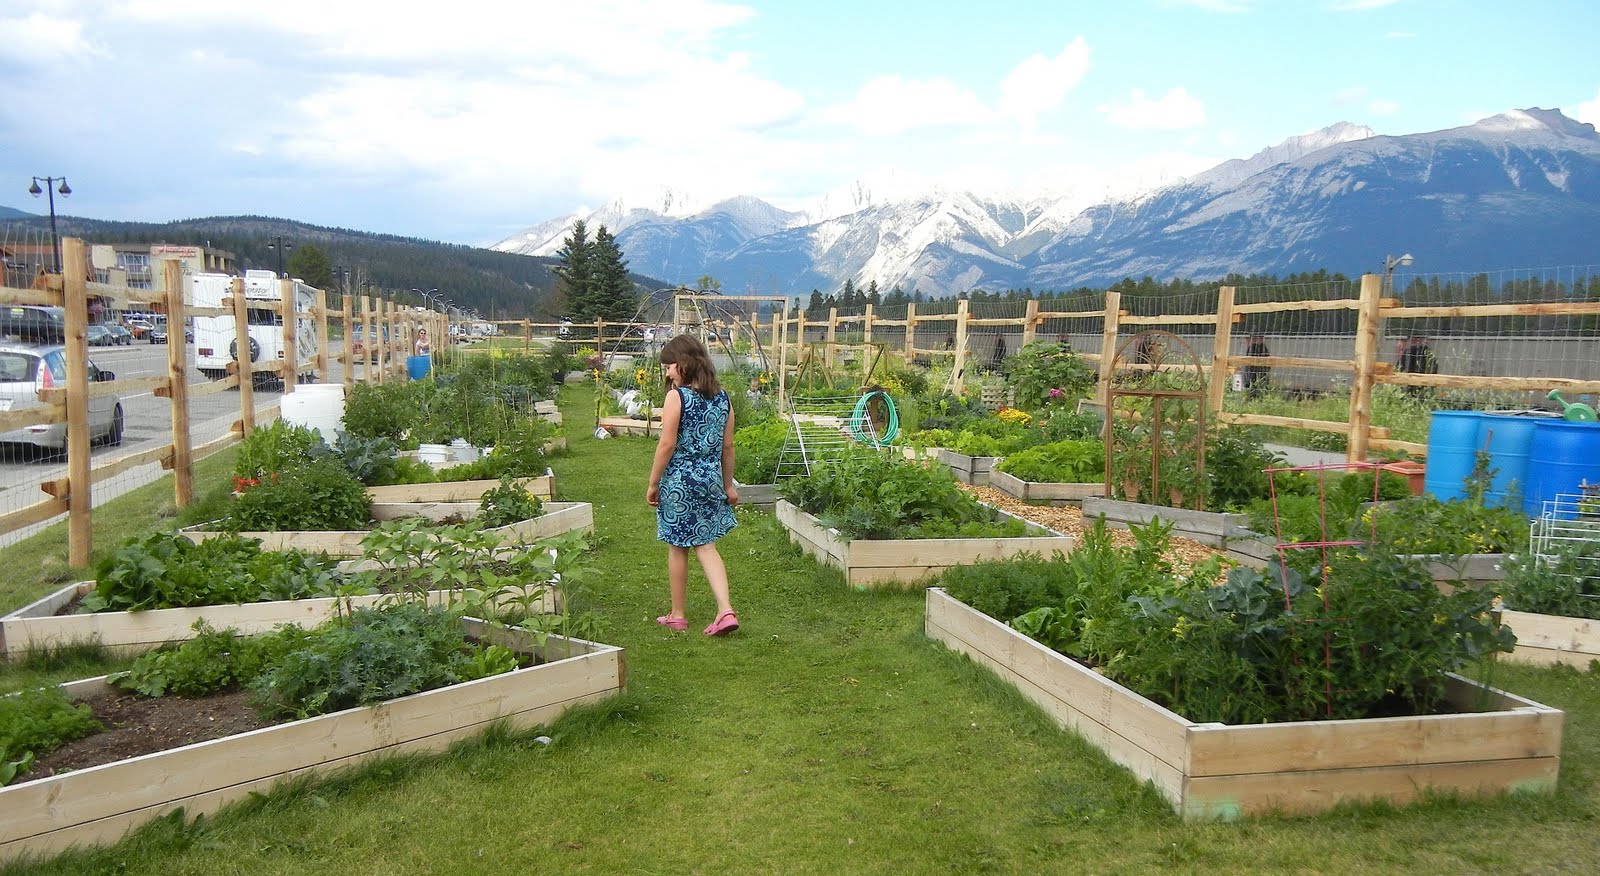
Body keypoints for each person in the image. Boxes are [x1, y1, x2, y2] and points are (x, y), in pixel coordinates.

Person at [647, 335, 740, 636]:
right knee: (707, 545)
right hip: (710, 481)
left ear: (683, 364)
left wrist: (653, 483)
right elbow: (728, 448)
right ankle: (725, 609)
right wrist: (728, 487)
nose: (667, 373)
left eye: (670, 366)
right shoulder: (723, 398)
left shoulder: (677, 398)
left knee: (678, 546)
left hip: (678, 483)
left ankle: (678, 614)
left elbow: (667, 444)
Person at [1241, 334, 1270, 398]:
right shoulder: (1262, 348)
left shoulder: (1254, 349)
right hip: (1259, 379)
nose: (1246, 341)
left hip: (1255, 378)